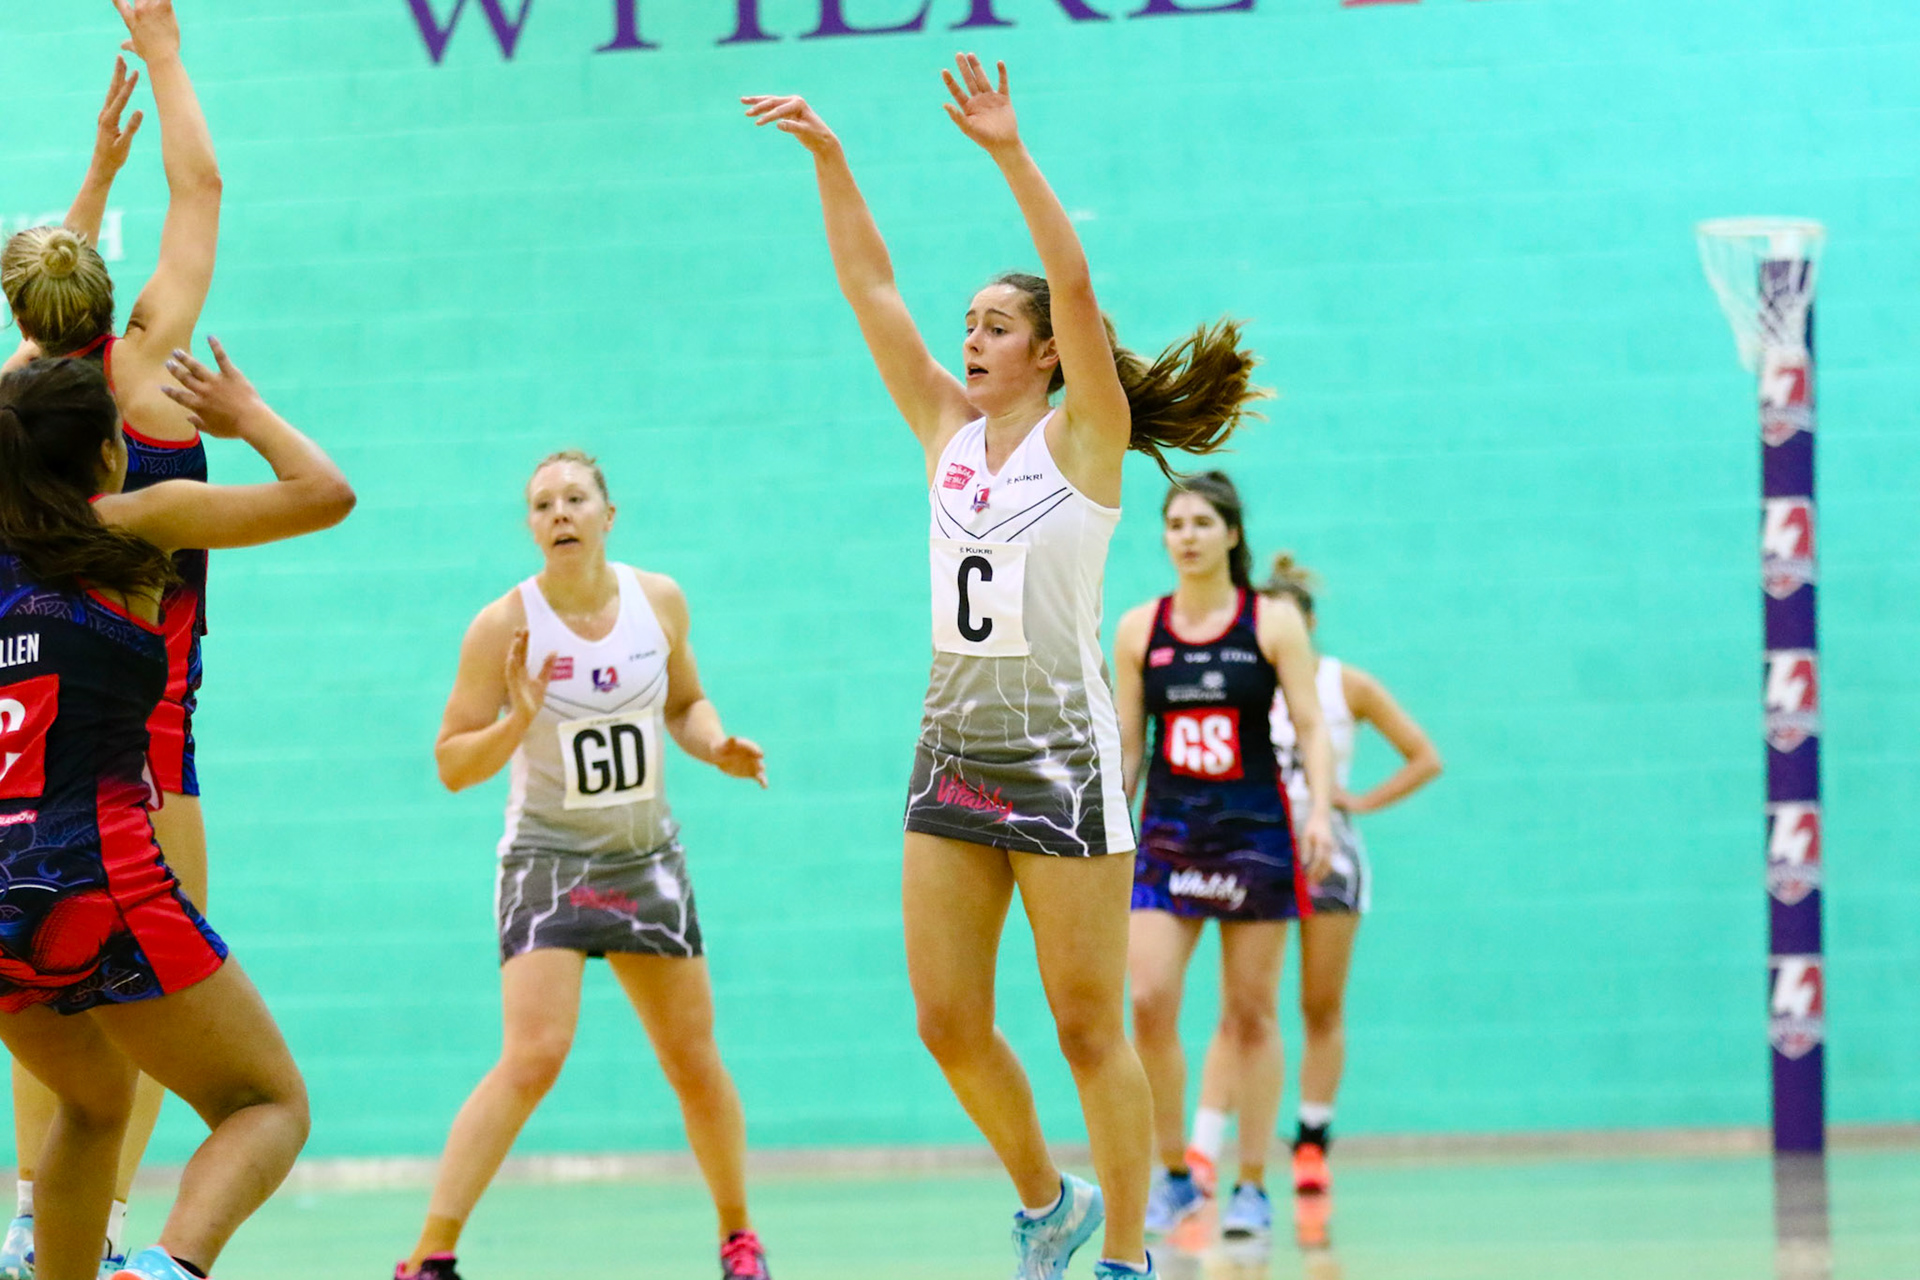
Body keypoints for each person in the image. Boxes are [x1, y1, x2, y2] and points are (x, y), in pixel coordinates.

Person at [745, 53, 1264, 1280]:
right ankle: (1048, 1200)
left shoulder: (1088, 440)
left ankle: (1129, 1257)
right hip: (953, 750)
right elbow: (870, 286)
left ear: (1045, 353)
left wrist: (1007, 152)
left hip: (1063, 759)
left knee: (1090, 1025)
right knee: (946, 1020)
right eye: (968, 322)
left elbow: (1075, 283)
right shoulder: (945, 432)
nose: (969, 338)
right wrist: (832, 159)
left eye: (994, 324)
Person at [0, 344, 352, 1280]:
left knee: (92, 1106)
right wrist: (247, 419)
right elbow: (326, 494)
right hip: (98, 872)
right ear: (109, 455)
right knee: (266, 1105)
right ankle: (164, 1271)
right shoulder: (134, 520)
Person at [394, 451, 772, 1280]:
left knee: (693, 1059)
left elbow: (684, 703)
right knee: (535, 1053)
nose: (559, 513)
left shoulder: (659, 600)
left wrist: (716, 746)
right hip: (547, 858)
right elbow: (452, 763)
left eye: (574, 498)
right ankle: (429, 1253)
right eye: (541, 504)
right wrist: (517, 716)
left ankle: (739, 1237)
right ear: (530, 527)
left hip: (645, 858)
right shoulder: (504, 627)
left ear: (609, 514)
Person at [2, 4, 226, 1267]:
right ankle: (126, 1230)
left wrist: (84, 185)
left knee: (39, 995)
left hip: (32, 745)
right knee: (151, 995)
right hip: (156, 736)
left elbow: (39, 307)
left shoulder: (14, 420)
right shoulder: (150, 369)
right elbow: (200, 184)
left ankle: (39, 1224)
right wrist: (166, 55)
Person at [1114, 474, 1333, 1243]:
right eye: (1175, 523)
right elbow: (1128, 745)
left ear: (1230, 533)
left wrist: (1324, 817)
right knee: (1147, 1001)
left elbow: (1309, 724)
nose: (1187, 534)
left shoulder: (1271, 622)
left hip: (1256, 835)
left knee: (1249, 1014)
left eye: (1203, 521)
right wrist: (1107, 828)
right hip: (1170, 837)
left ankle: (1251, 1186)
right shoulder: (1141, 627)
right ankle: (1174, 1175)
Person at [1184, 554, 1442, 1204]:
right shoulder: (1240, 683)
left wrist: (1358, 802)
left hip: (1325, 854)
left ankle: (1311, 1142)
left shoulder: (1342, 684)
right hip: (1253, 851)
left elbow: (1424, 757)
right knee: (1241, 1010)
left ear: (1309, 624)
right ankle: (1203, 1150)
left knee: (1319, 1007)